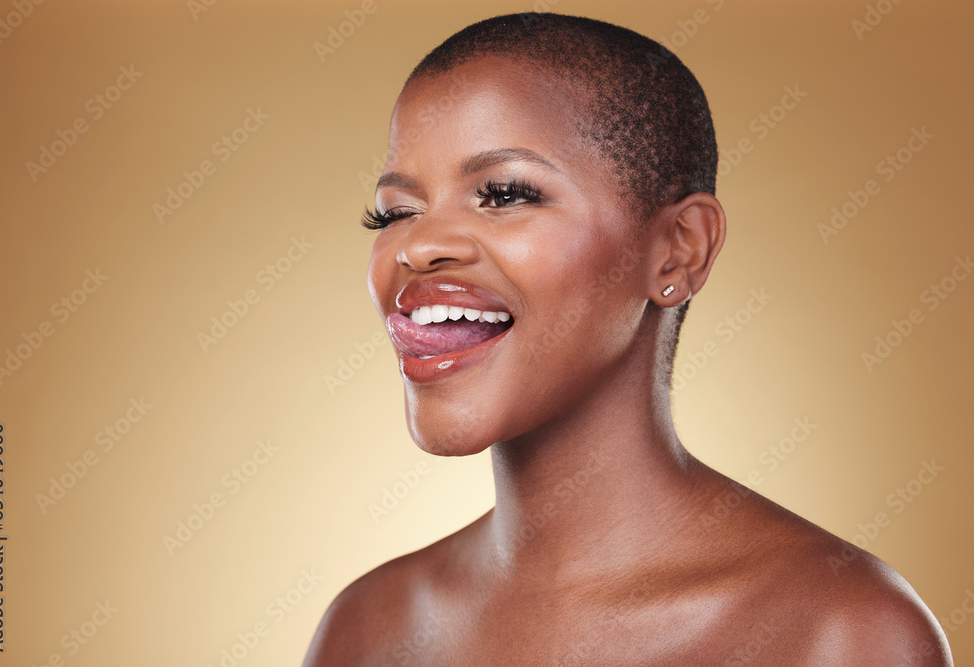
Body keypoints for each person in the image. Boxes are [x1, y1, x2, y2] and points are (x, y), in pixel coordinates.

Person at [305, 12, 952, 665]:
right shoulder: (367, 630)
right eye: (395, 212)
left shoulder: (843, 631)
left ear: (677, 250)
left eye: (502, 194)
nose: (417, 245)